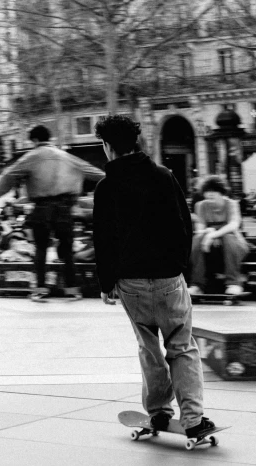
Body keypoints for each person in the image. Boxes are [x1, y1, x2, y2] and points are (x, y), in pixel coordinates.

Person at [92, 115, 215, 440]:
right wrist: (178, 267)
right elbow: (183, 226)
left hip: (129, 283)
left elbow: (103, 240)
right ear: (137, 141)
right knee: (182, 347)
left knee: (148, 348)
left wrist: (106, 283)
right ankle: (192, 419)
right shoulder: (163, 176)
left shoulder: (106, 187)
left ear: (107, 146)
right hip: (167, 279)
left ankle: (159, 413)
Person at [0, 124, 105, 301]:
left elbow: (9, 176)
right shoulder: (67, 156)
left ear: (35, 140)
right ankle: (72, 289)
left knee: (41, 248)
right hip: (65, 209)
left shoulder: (31, 156)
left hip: (42, 208)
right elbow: (93, 172)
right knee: (66, 250)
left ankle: (40, 289)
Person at [188, 176, 249, 296]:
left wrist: (214, 235)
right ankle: (197, 285)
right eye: (207, 191)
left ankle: (233, 283)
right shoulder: (200, 205)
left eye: (214, 191)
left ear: (221, 192)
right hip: (209, 242)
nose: (210, 194)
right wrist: (208, 234)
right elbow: (200, 228)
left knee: (227, 238)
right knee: (196, 240)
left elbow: (233, 225)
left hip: (233, 241)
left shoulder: (231, 204)